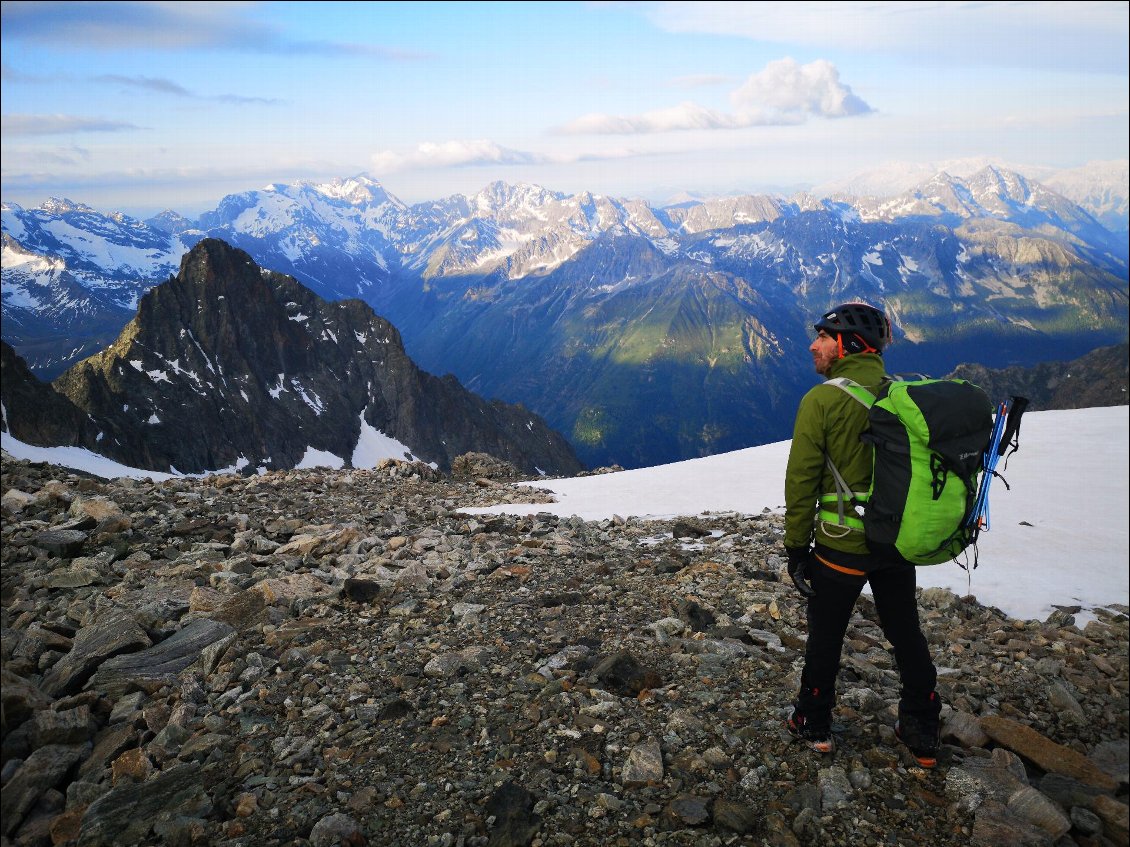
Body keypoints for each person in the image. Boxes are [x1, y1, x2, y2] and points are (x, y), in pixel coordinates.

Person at [782, 301, 942, 768]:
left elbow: (802, 481)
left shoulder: (823, 400)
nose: (813, 345)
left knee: (826, 635)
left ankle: (814, 723)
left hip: (841, 545)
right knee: (904, 631)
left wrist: (796, 546)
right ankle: (922, 728)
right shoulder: (902, 395)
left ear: (850, 345)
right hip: (896, 543)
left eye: (824, 337)